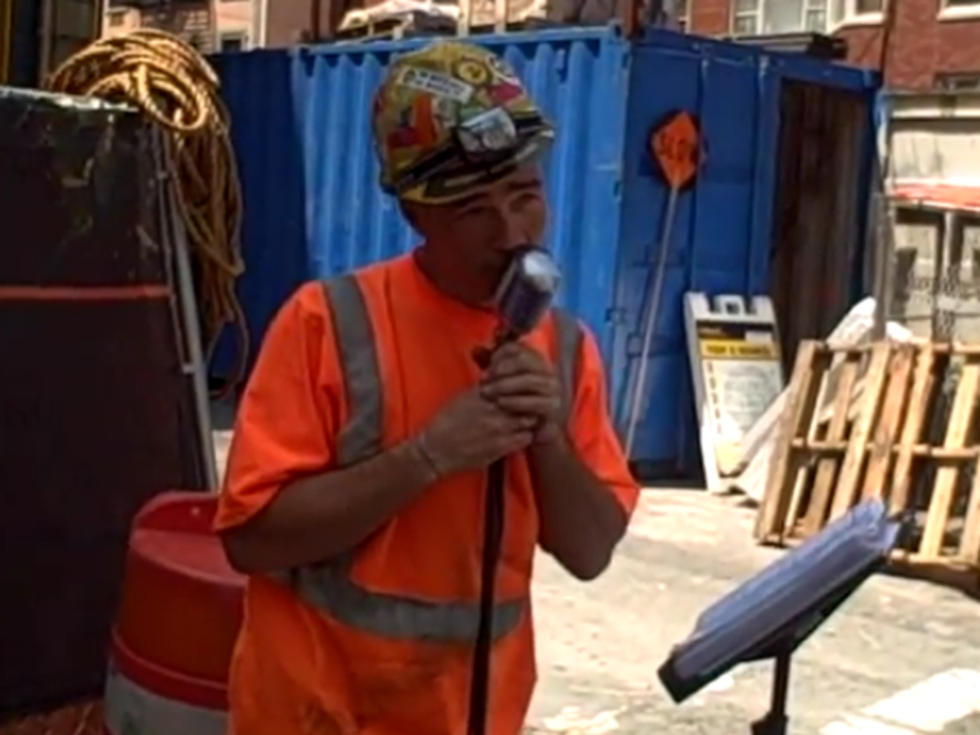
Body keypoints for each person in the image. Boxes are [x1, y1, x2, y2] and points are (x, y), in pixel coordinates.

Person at [215, 39, 640, 735]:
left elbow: (591, 552)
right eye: (475, 211)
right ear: (416, 215)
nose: (511, 233)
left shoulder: (565, 349)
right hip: (318, 714)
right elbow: (252, 541)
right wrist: (428, 456)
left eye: (526, 197)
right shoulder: (328, 322)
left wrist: (548, 436)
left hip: (475, 715)